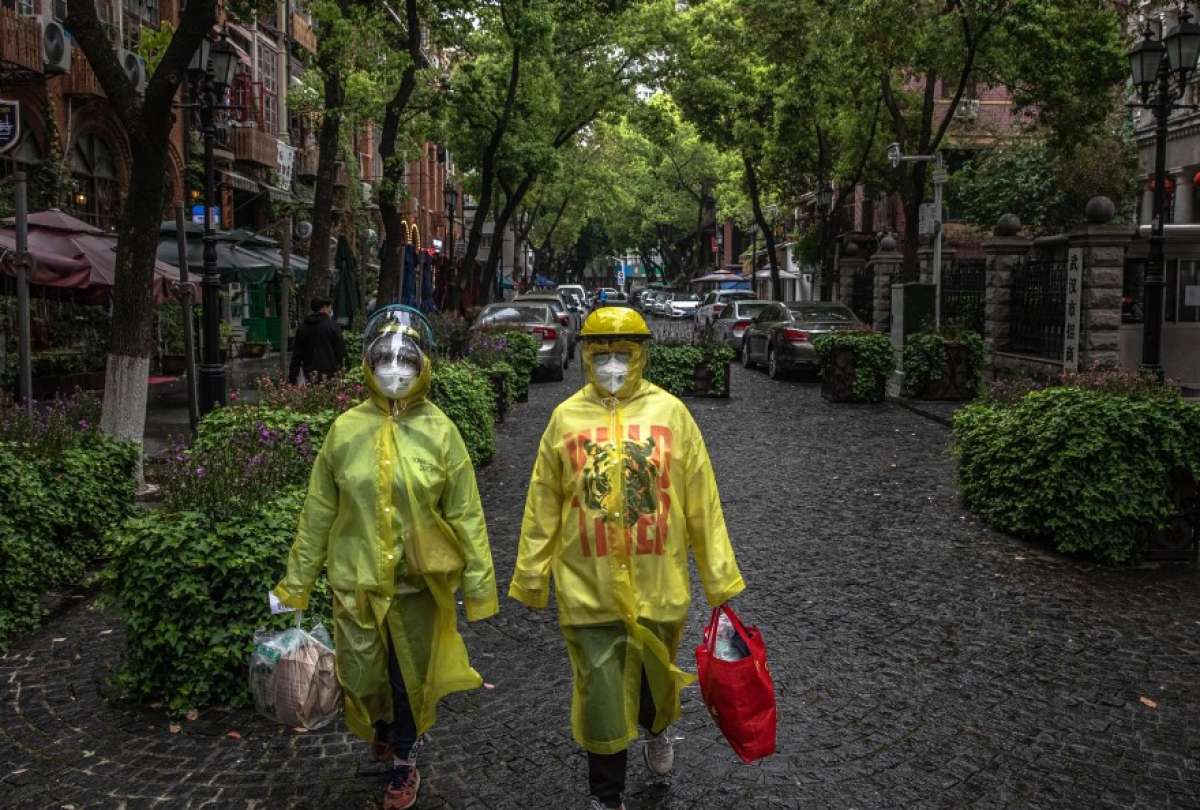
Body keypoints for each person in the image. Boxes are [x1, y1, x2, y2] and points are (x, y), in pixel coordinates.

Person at [508, 307, 745, 810]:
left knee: (654, 689)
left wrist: (719, 578)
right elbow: (543, 502)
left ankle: (657, 729)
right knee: (600, 695)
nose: (612, 363)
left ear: (640, 354)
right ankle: (606, 795)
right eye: (602, 353)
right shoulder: (566, 418)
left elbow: (701, 497)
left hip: (657, 583)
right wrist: (532, 574)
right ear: (587, 355)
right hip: (587, 585)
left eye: (623, 353)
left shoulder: (671, 414)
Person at [272, 306, 498, 810]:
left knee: (407, 678)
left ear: (424, 368)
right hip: (356, 582)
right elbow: (318, 511)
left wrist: (480, 585)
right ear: (368, 366)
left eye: (406, 362)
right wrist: (296, 583)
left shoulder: (441, 433)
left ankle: (404, 761)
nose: (395, 371)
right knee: (361, 675)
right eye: (384, 361)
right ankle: (384, 726)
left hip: (417, 585)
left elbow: (466, 513)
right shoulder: (345, 431)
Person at [288, 297, 347, 384]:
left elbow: (296, 354)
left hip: (309, 372)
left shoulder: (303, 327)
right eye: (330, 307)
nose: (331, 310)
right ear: (324, 308)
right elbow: (341, 352)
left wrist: (292, 377)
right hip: (329, 374)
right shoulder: (333, 327)